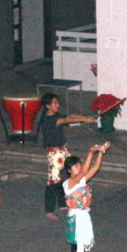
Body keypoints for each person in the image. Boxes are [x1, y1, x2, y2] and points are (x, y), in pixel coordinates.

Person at [39, 92, 97, 221]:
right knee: (53, 181)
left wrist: (85, 117)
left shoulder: (55, 115)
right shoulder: (49, 119)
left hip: (62, 150)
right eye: (55, 103)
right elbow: (67, 120)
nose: (58, 105)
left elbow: (70, 116)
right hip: (54, 153)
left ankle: (62, 202)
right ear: (48, 106)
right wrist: (85, 119)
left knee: (65, 176)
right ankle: (48, 210)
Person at [63, 143, 110, 252]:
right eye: (76, 166)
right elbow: (84, 171)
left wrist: (100, 153)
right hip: (78, 218)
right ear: (70, 170)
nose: (80, 168)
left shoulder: (78, 181)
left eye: (79, 165)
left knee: (77, 249)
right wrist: (91, 151)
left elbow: (94, 169)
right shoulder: (70, 183)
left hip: (80, 217)